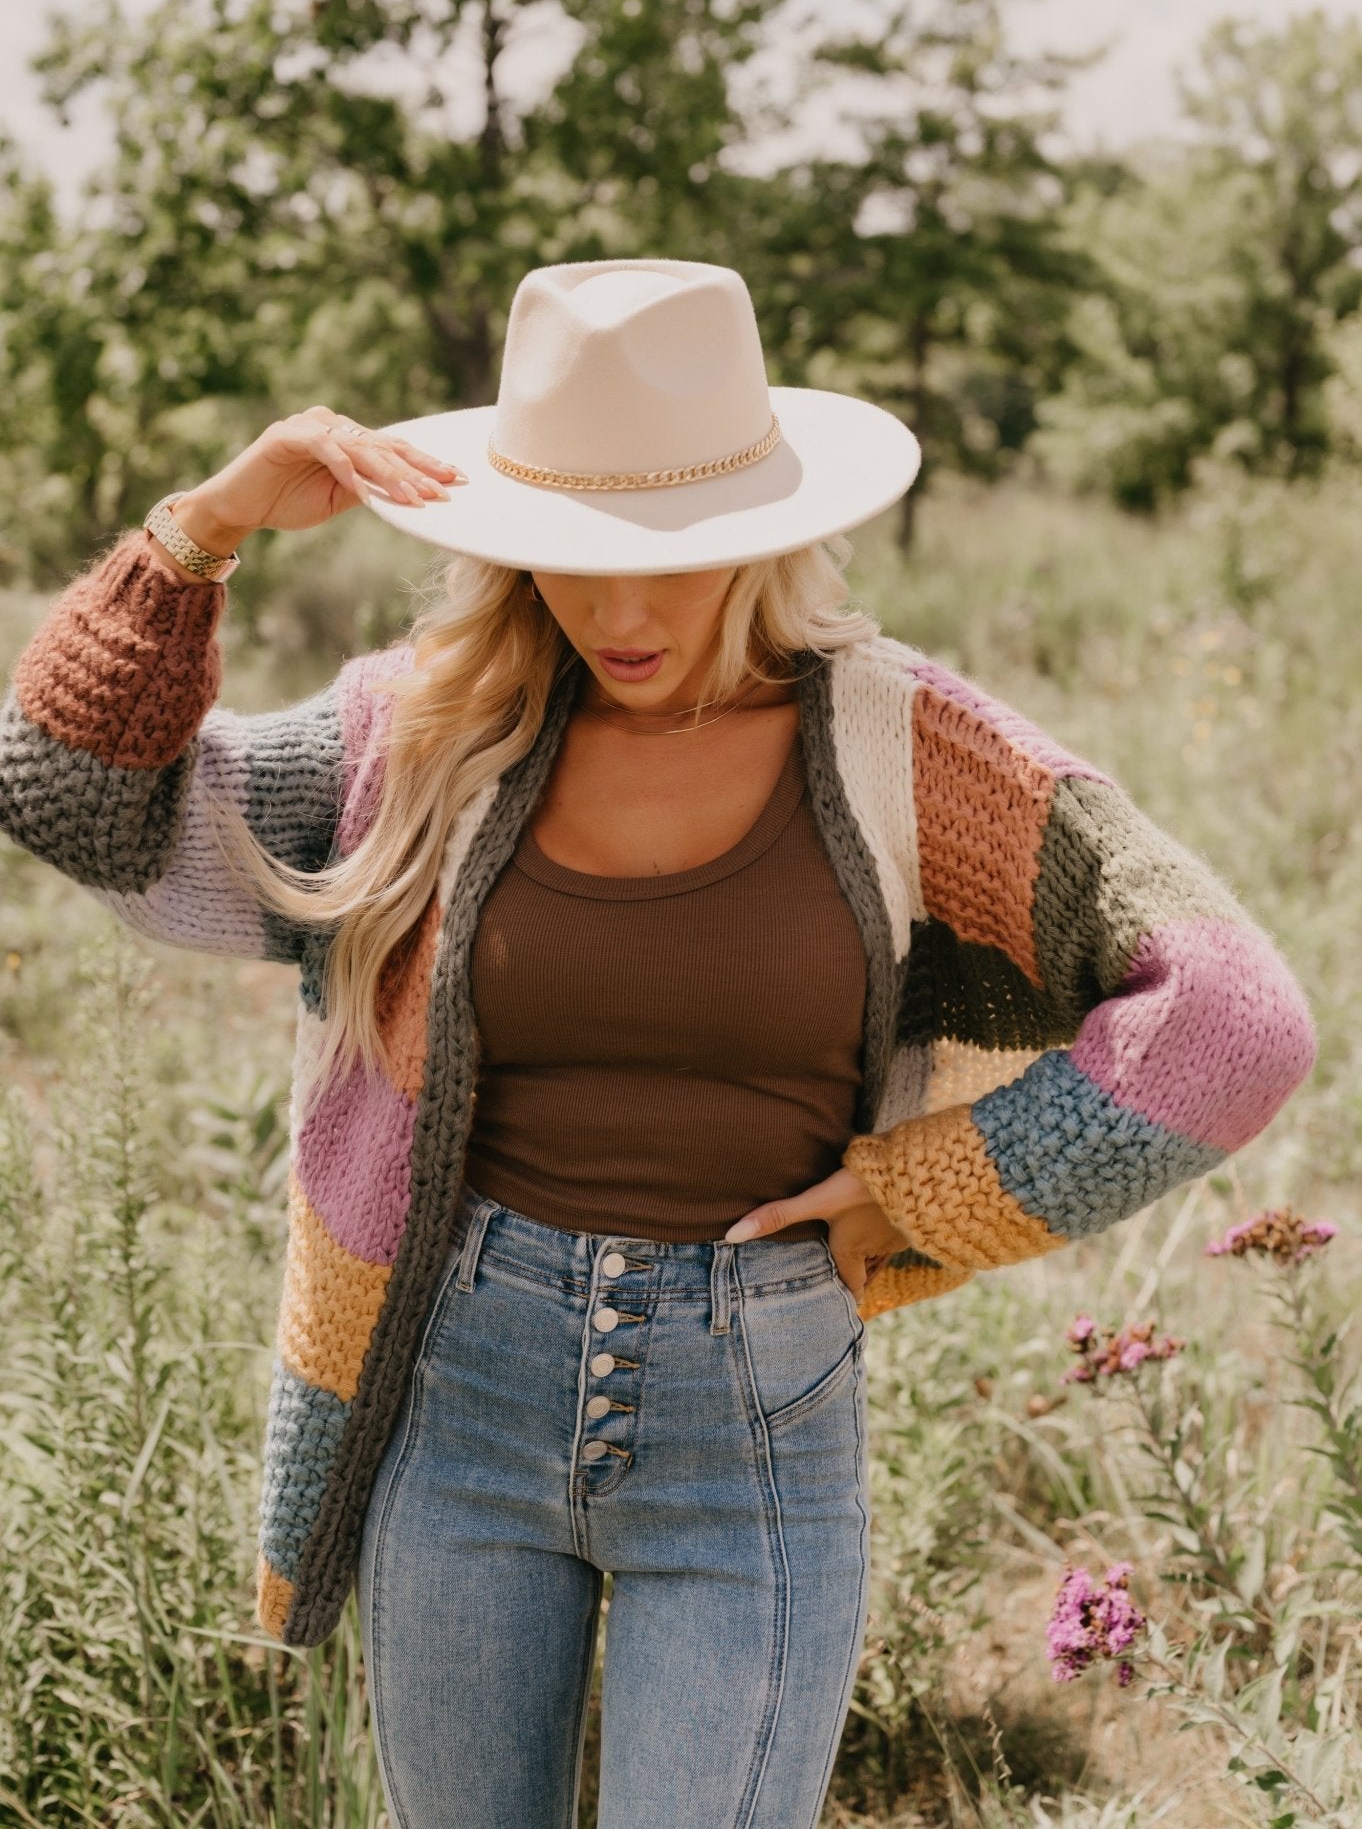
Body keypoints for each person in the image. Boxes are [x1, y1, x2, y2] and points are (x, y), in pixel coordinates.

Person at [0, 258, 1316, 1829]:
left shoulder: (903, 747)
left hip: (749, 1415)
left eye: (669, 558)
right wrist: (197, 531)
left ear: (768, 530)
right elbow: (68, 796)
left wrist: (933, 1190)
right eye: (570, 557)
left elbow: (1233, 1014)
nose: (619, 614)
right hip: (454, 1398)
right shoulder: (419, 736)